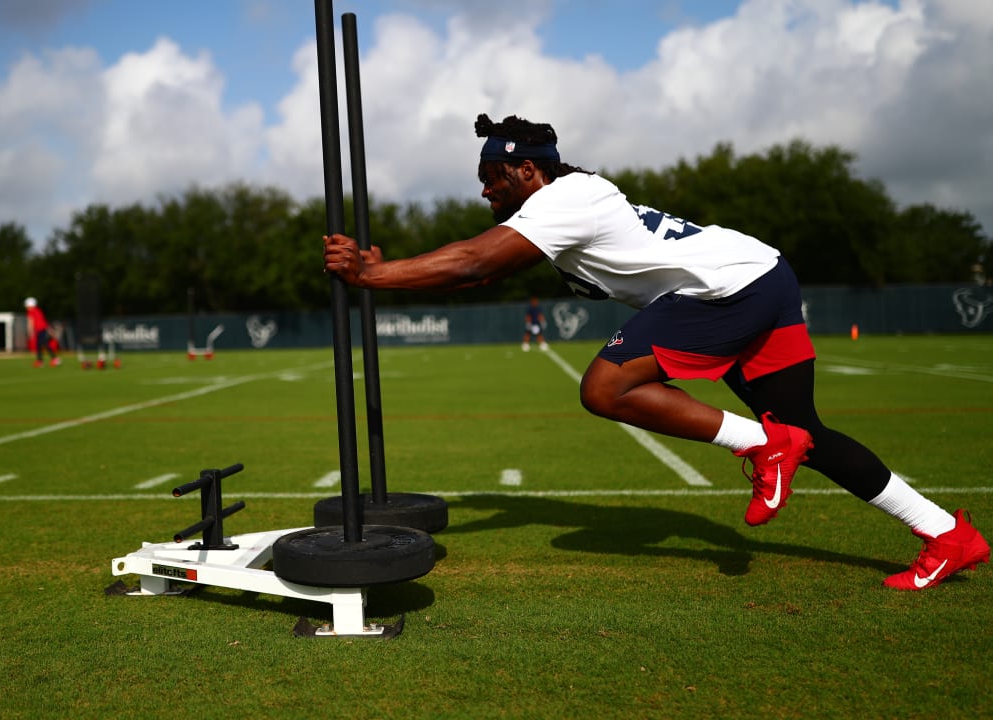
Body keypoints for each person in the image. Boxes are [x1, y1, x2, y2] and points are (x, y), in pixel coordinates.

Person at [323, 113, 988, 591]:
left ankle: (759, 445)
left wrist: (369, 276)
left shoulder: (565, 198)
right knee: (807, 432)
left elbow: (472, 263)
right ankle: (947, 534)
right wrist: (394, 269)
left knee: (604, 389)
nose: (485, 191)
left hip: (728, 288)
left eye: (493, 178)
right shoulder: (564, 210)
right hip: (761, 276)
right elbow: (489, 268)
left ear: (529, 170)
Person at [24, 297, 60, 367]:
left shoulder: (30, 312)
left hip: (40, 330)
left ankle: (52, 359)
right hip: (43, 330)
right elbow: (44, 322)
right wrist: (50, 331)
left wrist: (30, 332)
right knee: (41, 345)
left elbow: (30, 322)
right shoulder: (38, 310)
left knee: (42, 345)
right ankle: (42, 360)